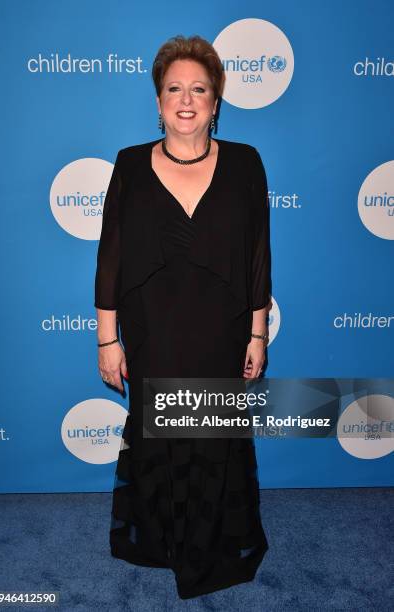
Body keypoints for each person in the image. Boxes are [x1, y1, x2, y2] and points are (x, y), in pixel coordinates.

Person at [94, 34, 272, 600]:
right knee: (161, 437)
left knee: (214, 437)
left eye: (200, 89)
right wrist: (107, 340)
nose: (186, 99)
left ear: (216, 102)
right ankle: (162, 538)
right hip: (153, 330)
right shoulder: (128, 165)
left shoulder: (245, 163)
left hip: (220, 331)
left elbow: (257, 256)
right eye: (174, 89)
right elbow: (111, 259)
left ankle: (209, 544)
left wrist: (256, 331)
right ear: (158, 101)